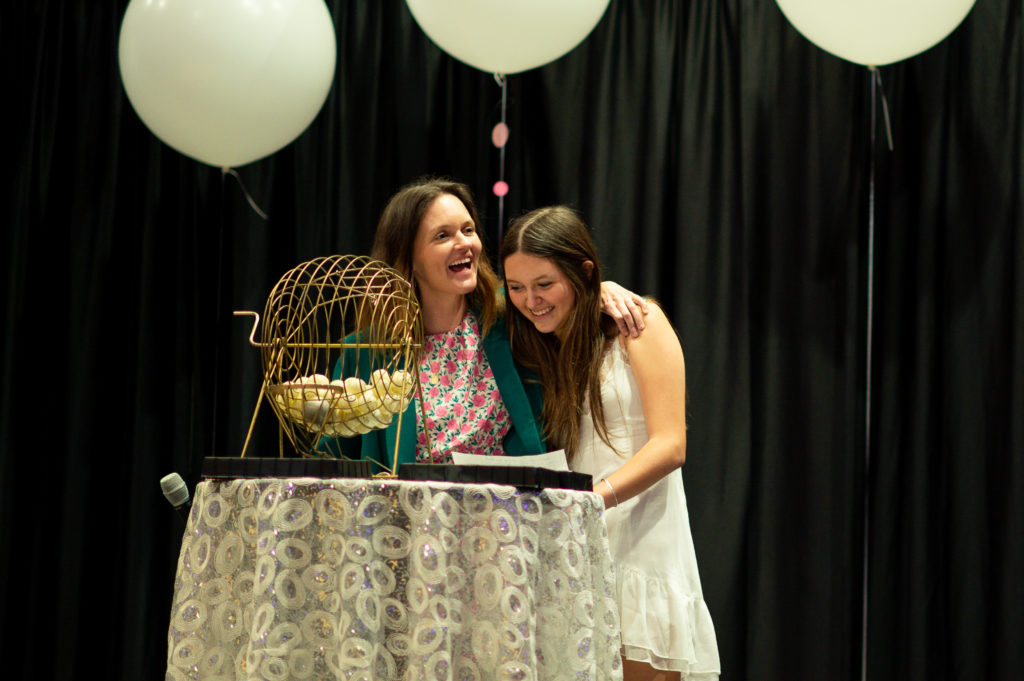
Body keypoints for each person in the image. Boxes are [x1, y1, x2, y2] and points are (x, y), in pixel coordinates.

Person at [500, 205, 721, 681]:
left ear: (583, 272)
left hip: (641, 540)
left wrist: (592, 500)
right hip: (578, 543)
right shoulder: (542, 345)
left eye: (544, 284)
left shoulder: (639, 324)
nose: (530, 300)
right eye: (516, 287)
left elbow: (671, 444)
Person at [323, 178, 647, 471]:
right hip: (410, 515)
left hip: (511, 510)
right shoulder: (364, 351)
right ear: (408, 258)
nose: (464, 243)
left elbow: (563, 294)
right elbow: (332, 460)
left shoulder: (514, 316)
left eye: (468, 230)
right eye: (443, 235)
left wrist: (599, 289)